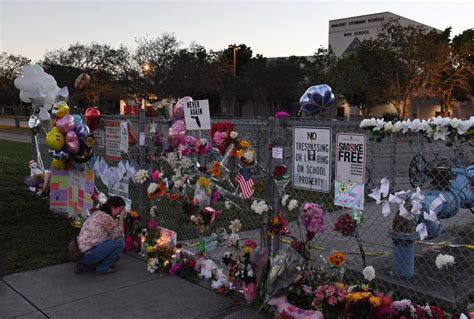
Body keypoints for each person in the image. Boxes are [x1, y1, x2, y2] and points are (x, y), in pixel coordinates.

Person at [75, 196, 126, 274]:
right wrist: (121, 217)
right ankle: (103, 268)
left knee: (113, 257)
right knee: (120, 242)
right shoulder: (106, 218)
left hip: (81, 254)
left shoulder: (97, 213)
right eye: (120, 210)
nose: (119, 213)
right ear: (114, 207)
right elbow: (119, 233)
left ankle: (85, 266)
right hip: (89, 254)